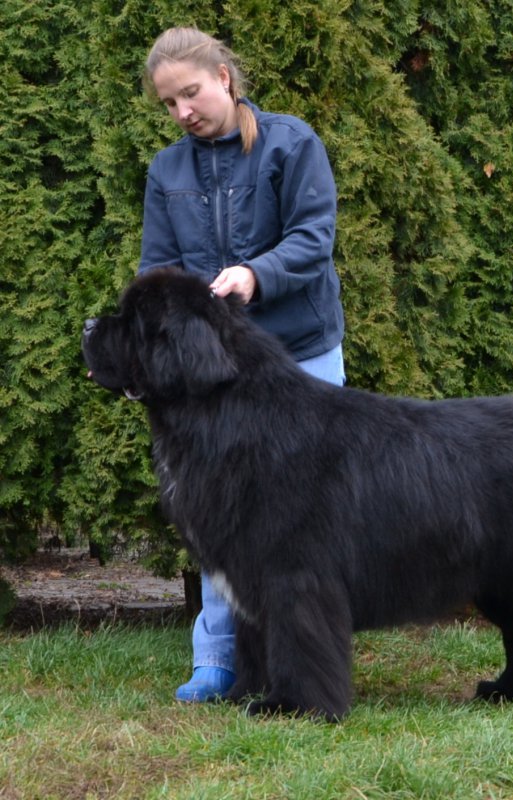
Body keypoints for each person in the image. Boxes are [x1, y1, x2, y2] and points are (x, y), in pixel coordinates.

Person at [139, 27, 346, 702]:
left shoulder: (292, 144)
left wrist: (256, 276)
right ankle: (218, 662)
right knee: (223, 516)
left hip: (303, 356)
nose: (182, 112)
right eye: (169, 103)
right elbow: (158, 273)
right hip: (217, 378)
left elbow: (314, 239)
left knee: (304, 533)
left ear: (225, 77)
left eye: (191, 93)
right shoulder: (166, 171)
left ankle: (305, 669)